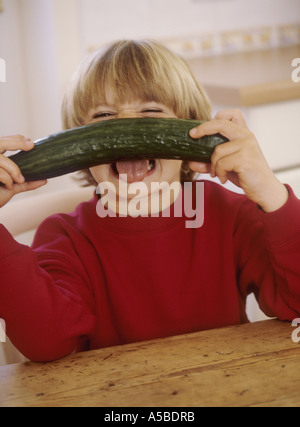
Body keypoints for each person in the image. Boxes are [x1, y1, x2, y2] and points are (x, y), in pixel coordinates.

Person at [0, 40, 299, 362]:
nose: (125, 126)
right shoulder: (64, 237)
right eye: (103, 115)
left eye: (151, 111)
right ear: (78, 145)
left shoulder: (231, 214)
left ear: (193, 131)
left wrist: (271, 192)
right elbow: (48, 344)